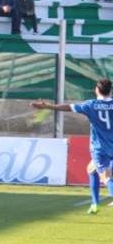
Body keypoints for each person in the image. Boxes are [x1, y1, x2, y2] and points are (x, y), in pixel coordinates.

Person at [31, 79, 113, 214]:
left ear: (97, 90)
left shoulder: (91, 105)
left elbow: (68, 107)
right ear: (110, 91)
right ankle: (95, 204)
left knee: (106, 177)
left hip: (100, 148)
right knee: (91, 170)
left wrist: (48, 106)